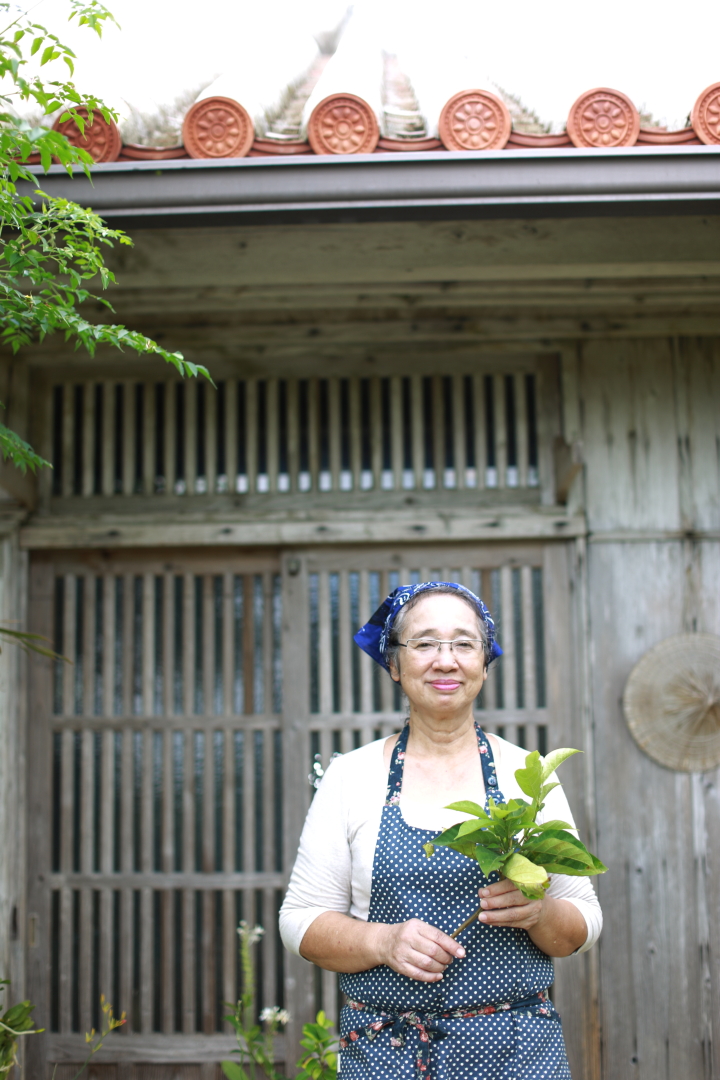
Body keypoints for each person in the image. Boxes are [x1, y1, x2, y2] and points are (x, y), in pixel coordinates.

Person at [280, 581, 602, 1079]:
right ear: (394, 665)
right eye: (425, 643)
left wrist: (540, 913)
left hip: (516, 1055)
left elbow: (583, 923)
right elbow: (299, 919)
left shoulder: (528, 777)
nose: (445, 660)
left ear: (483, 663)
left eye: (463, 644)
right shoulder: (352, 777)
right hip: (386, 1056)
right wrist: (382, 943)